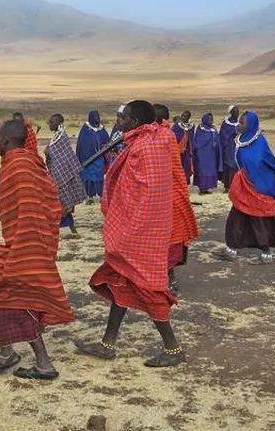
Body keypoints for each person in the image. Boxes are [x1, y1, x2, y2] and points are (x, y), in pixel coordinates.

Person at [75, 101, 186, 368]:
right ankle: (107, 344)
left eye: (122, 118)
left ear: (135, 122)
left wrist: (125, 227)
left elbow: (136, 193)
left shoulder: (144, 148)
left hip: (141, 230)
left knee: (148, 288)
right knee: (119, 282)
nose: (118, 122)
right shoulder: (151, 141)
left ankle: (172, 348)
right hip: (143, 228)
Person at [0, 120, 74, 380]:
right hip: (23, 242)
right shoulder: (25, 162)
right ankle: (7, 353)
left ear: (6, 141)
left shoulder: (19, 166)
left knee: (18, 301)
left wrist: (22, 249)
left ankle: (44, 364)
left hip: (27, 245)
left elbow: (32, 207)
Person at [217, 111, 275, 265]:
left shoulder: (259, 143)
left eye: (242, 123)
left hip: (257, 186)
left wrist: (253, 178)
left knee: (259, 220)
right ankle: (231, 248)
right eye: (239, 122)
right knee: (236, 218)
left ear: (250, 125)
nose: (238, 125)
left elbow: (261, 162)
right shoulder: (241, 140)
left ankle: (266, 252)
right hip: (243, 186)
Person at [154, 104, 199, 295]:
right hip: (167, 195)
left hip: (165, 196)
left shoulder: (163, 136)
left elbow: (171, 167)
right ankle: (165, 278)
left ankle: (168, 278)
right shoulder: (166, 135)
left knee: (166, 239)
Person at [45, 114, 87, 235]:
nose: (50, 124)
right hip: (57, 175)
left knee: (61, 204)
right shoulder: (57, 136)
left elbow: (64, 156)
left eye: (52, 122)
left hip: (62, 175)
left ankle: (59, 230)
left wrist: (49, 152)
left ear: (59, 123)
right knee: (61, 204)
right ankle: (71, 229)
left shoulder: (62, 137)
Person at [76, 110, 108, 203]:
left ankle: (102, 196)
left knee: (100, 177)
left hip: (99, 158)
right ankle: (90, 197)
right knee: (89, 178)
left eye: (98, 116)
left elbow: (107, 141)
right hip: (88, 159)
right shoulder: (86, 129)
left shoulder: (102, 129)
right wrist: (85, 155)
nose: (97, 118)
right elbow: (81, 144)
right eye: (95, 117)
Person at [192, 113, 222, 194]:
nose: (212, 121)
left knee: (210, 171)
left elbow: (217, 141)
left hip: (211, 155)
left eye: (212, 119)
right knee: (201, 171)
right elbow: (197, 142)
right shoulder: (200, 129)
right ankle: (201, 189)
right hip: (201, 155)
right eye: (210, 119)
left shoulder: (213, 129)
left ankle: (207, 188)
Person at [219, 105, 241, 193]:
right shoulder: (226, 123)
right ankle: (227, 186)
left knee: (237, 166)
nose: (237, 113)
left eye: (238, 111)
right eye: (235, 111)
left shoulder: (240, 122)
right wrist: (233, 134)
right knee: (229, 166)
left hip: (238, 146)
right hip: (229, 147)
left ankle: (236, 186)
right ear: (231, 112)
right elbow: (223, 135)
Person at [172, 111, 195, 185]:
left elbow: (191, 137)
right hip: (177, 150)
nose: (183, 117)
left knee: (186, 166)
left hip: (187, 151)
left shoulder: (191, 126)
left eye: (185, 116)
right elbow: (173, 136)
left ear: (189, 118)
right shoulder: (176, 126)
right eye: (182, 116)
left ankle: (185, 182)